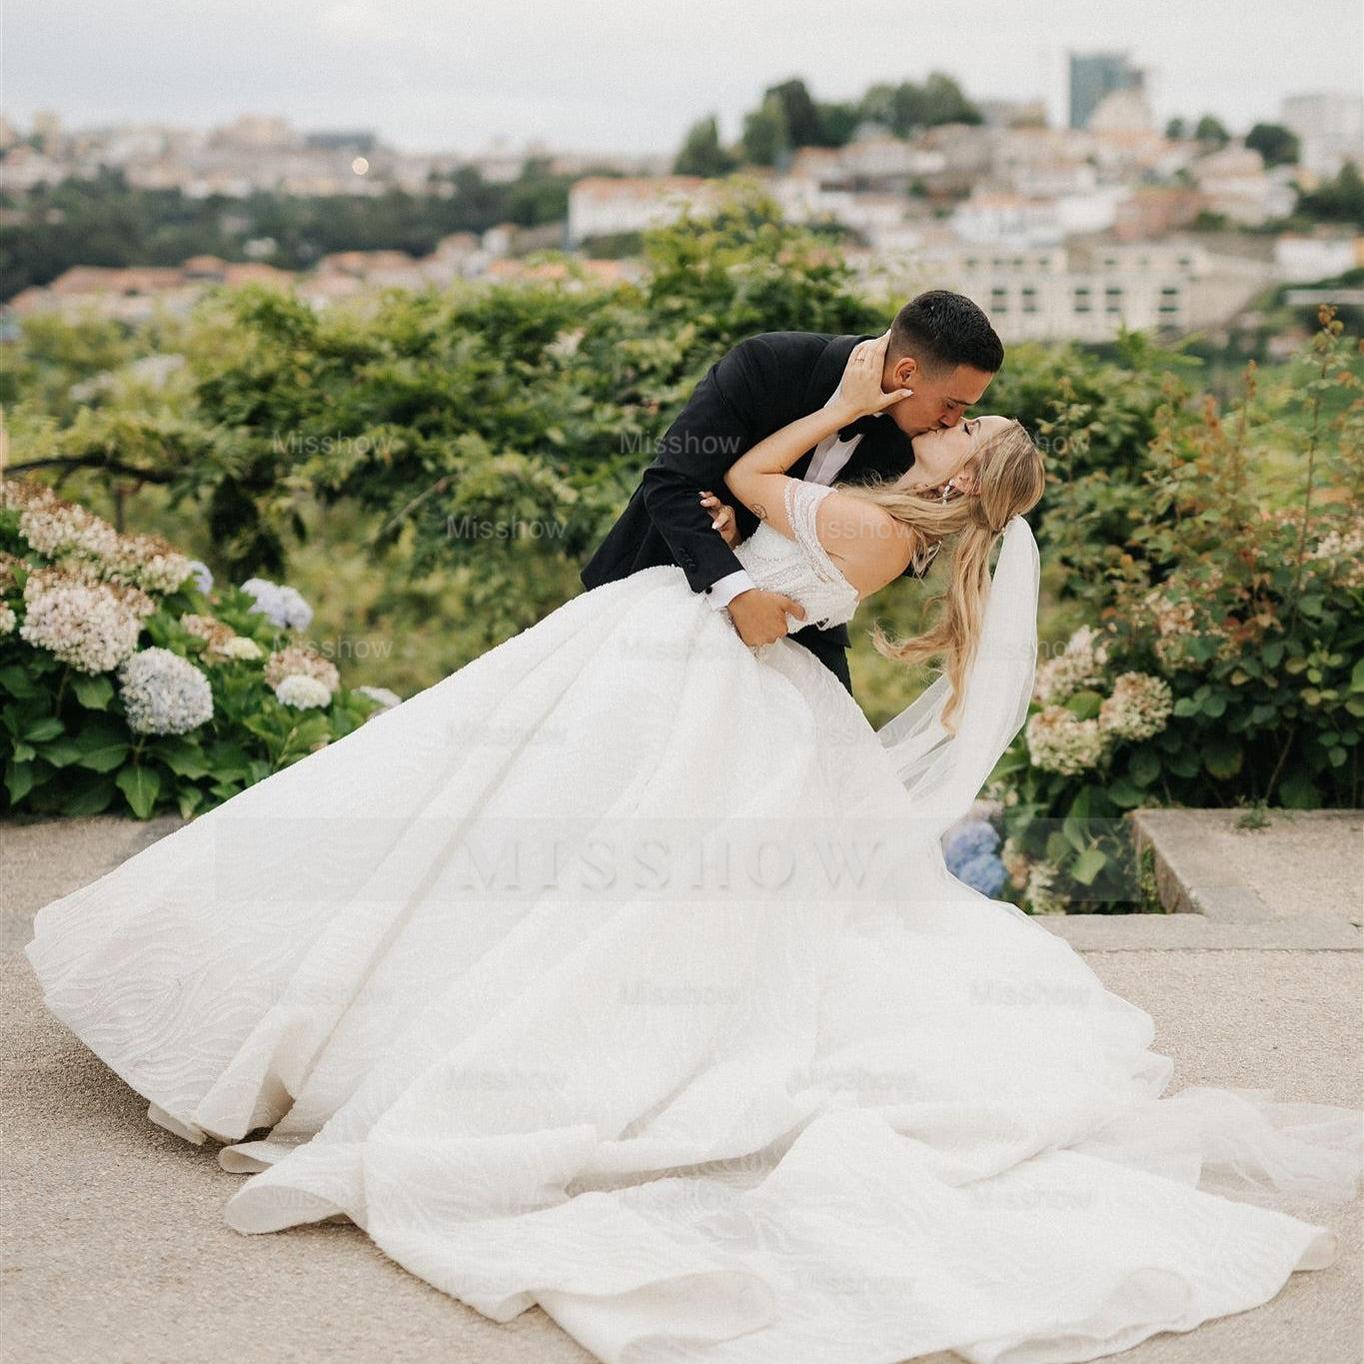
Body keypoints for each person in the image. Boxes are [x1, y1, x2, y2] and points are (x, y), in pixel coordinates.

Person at [23, 335, 1361, 1364]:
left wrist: (812, 449)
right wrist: (756, 534)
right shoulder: (904, 531)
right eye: (950, 407)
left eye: (961, 431)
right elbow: (717, 497)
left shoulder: (873, 514)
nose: (945, 431)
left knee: (536, 840)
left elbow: (739, 481)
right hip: (724, 665)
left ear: (957, 471)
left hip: (705, 667)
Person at [581, 289, 1005, 694]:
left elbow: (900, 554)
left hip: (799, 631)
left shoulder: (917, 440)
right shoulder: (768, 364)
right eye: (952, 405)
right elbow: (670, 481)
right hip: (670, 582)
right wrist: (737, 590)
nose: (952, 421)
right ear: (906, 373)